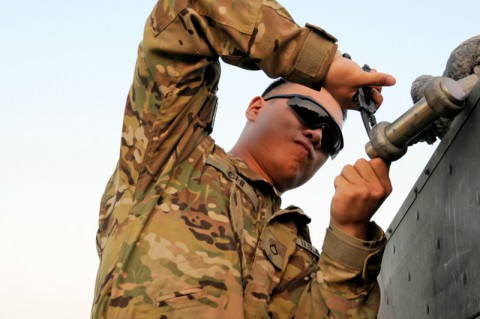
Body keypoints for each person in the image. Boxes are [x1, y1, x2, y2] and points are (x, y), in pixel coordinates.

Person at [91, 0, 395, 318]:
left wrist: (349, 232)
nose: (317, 135)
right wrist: (318, 61)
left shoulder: (300, 259)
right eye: (308, 112)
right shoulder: (168, 155)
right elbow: (186, 12)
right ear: (256, 107)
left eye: (331, 137)